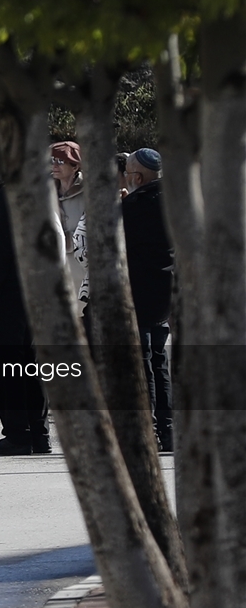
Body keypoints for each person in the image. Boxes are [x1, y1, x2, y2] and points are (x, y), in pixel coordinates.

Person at [0, 185, 51, 455]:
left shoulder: (9, 196)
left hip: (8, 294)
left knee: (7, 366)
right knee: (31, 366)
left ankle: (18, 434)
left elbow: (0, 245)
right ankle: (39, 434)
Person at [122, 148, 174, 452]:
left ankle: (148, 431)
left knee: (141, 363)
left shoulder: (135, 205)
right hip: (166, 290)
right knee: (159, 360)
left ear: (137, 177)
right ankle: (167, 431)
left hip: (139, 290)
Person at [50, 141, 85, 308]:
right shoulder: (46, 191)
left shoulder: (90, 192)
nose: (55, 166)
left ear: (75, 166)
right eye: (52, 160)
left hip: (83, 269)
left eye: (61, 161)